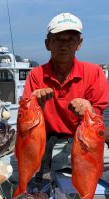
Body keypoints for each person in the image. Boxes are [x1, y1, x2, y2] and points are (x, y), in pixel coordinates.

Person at [21, 12, 109, 189]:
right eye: (58, 39)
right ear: (48, 44)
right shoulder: (36, 75)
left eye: (71, 39)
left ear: (79, 44)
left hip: (82, 135)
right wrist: (37, 104)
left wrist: (89, 109)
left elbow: (97, 116)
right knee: (27, 177)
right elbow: (25, 119)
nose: (65, 45)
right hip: (47, 136)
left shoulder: (94, 72)